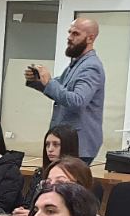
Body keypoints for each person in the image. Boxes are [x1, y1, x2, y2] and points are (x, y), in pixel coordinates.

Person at [24, 19, 105, 162]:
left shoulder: (91, 67)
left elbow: (77, 101)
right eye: (69, 32)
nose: (69, 37)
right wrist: (38, 80)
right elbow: (59, 87)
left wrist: (49, 82)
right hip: (66, 142)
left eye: (75, 34)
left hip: (78, 144)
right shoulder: (76, 64)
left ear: (90, 38)